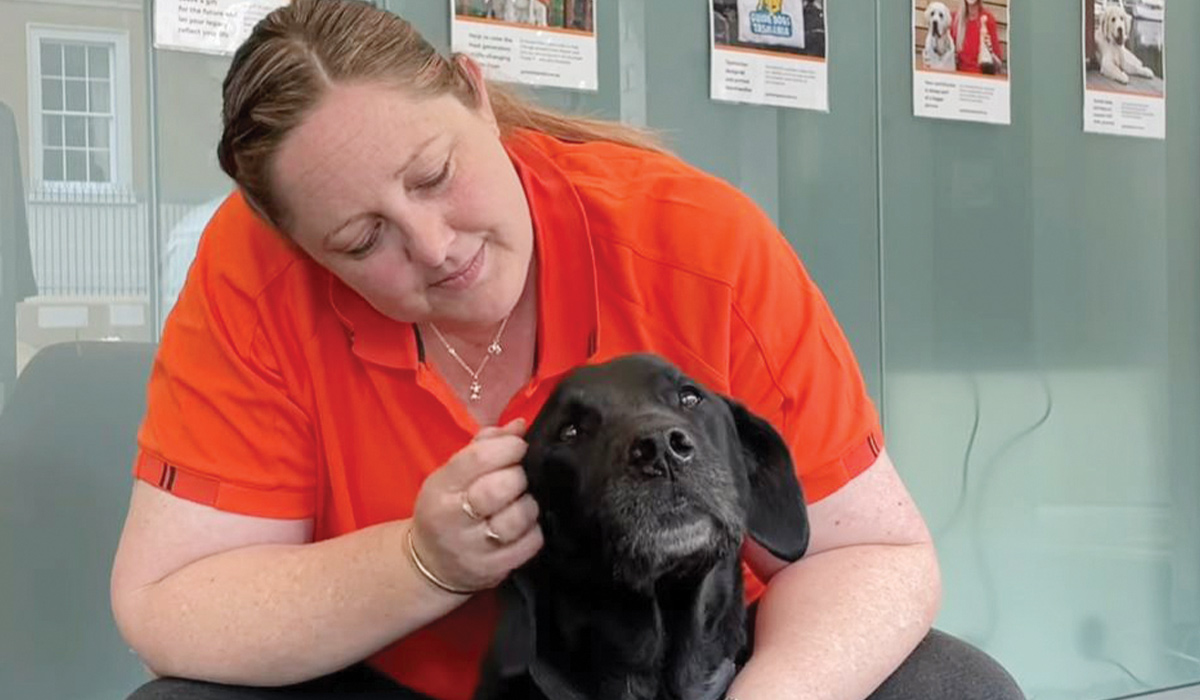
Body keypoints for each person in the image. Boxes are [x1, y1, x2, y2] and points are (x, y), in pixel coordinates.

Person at [110, 1, 1024, 699]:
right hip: (393, 678)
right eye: (360, 242)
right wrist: (421, 564)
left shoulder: (699, 241)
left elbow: (877, 555)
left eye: (436, 175)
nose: (434, 246)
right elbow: (170, 604)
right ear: (298, 247)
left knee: (955, 685)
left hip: (694, 673)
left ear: (476, 92)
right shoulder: (255, 278)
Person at [953, 0, 1005, 75]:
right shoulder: (956, 20)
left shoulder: (988, 20)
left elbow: (998, 63)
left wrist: (990, 53)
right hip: (960, 78)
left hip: (982, 78)